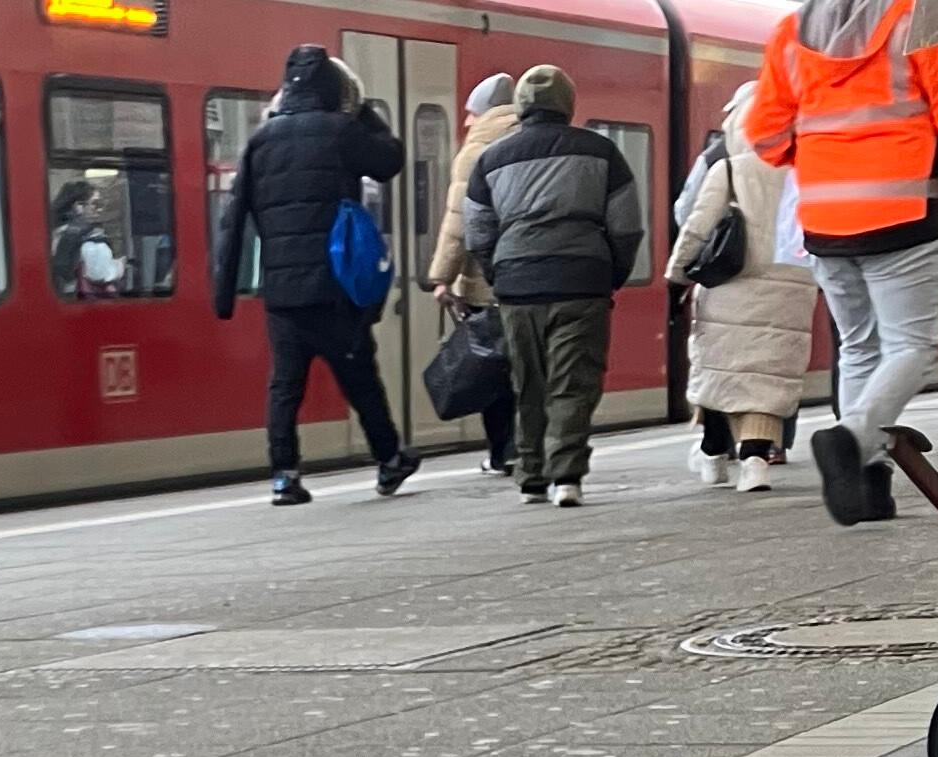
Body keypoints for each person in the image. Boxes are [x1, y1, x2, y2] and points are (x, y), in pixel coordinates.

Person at [748, 0, 938, 525]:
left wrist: (824, 161)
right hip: (898, 211)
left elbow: (766, 136)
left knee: (859, 346)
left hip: (823, 219)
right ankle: (852, 438)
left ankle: (868, 484)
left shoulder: (792, 31)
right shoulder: (918, 21)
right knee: (914, 344)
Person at [209, 47, 417, 508]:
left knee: (285, 384)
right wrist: (361, 111)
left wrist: (223, 295)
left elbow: (233, 218)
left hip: (282, 291)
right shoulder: (342, 131)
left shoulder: (260, 141)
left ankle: (284, 476)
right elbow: (390, 160)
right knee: (360, 374)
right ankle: (389, 459)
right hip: (334, 283)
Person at [455, 63, 638, 508]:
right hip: (581, 283)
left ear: (521, 106)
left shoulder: (491, 159)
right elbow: (627, 226)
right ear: (568, 104)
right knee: (573, 383)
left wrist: (499, 272)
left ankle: (531, 475)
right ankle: (566, 477)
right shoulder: (601, 152)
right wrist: (610, 273)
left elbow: (477, 230)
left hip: (518, 285)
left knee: (529, 382)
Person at [669, 81, 815, 492]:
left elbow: (697, 226)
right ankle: (755, 462)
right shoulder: (807, 172)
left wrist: (677, 272)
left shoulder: (729, 169)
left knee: (722, 372)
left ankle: (714, 454)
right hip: (791, 286)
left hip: (729, 283)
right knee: (768, 379)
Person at [422, 72, 523, 479]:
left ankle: (502, 452)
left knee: (493, 367)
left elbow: (458, 221)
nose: (465, 122)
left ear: (481, 113)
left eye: (470, 113)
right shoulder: (531, 138)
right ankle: (532, 446)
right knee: (528, 368)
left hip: (487, 282)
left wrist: (442, 277)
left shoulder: (476, 150)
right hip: (531, 280)